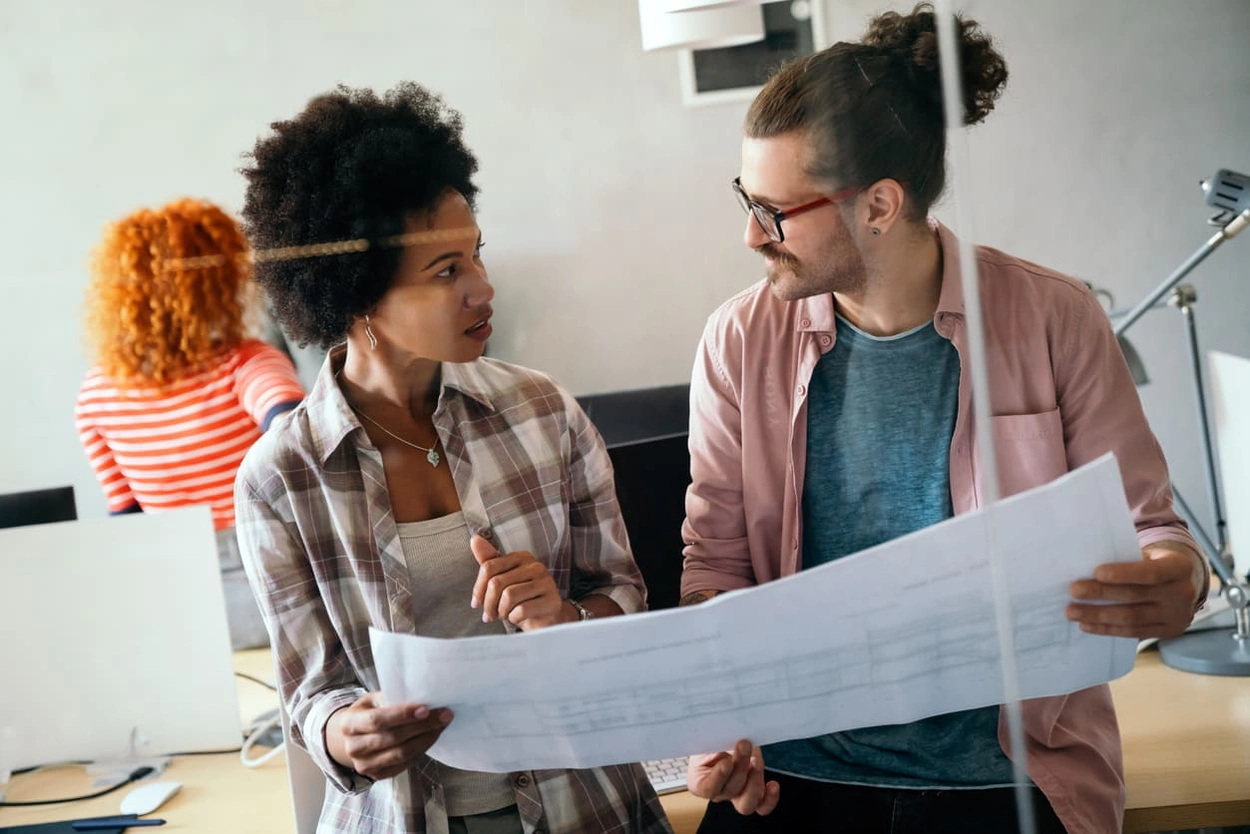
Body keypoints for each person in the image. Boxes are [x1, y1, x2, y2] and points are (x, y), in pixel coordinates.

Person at [677, 5, 1208, 833]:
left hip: (1007, 781)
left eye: (776, 210)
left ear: (880, 205)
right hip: (792, 776)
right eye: (748, 197)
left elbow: (1154, 532)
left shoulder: (1053, 317)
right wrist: (720, 722)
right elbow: (715, 565)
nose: (752, 234)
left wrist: (1180, 579)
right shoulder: (739, 340)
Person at [234, 82, 671, 834]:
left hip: (586, 807)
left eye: (476, 255)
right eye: (445, 272)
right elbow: (311, 694)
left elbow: (625, 597)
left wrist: (563, 616)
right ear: (359, 294)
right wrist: (347, 733)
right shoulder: (282, 478)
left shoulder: (542, 410)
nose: (483, 287)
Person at [75, 198, 305, 651]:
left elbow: (127, 521)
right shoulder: (247, 366)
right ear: (216, 283)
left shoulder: (96, 394)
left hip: (182, 600)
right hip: (276, 581)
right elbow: (296, 433)